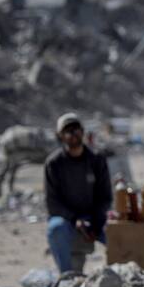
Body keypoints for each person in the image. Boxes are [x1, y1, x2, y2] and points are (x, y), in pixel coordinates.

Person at [44, 113, 112, 274]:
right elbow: (53, 203)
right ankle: (67, 277)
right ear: (60, 136)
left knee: (119, 233)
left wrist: (96, 221)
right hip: (68, 220)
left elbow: (105, 197)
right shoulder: (54, 164)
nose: (73, 134)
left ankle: (122, 278)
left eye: (76, 129)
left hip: (94, 218)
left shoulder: (96, 159)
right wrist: (75, 219)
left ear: (82, 132)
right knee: (55, 229)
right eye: (67, 131)